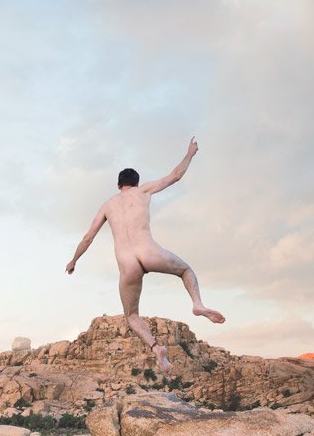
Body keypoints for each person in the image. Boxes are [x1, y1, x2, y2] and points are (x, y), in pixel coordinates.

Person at [65, 136, 224, 373]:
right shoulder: (144, 191)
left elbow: (88, 237)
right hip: (149, 252)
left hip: (127, 263)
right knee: (185, 270)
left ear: (119, 185)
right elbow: (175, 175)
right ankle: (198, 304)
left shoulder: (108, 205)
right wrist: (190, 153)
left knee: (131, 316)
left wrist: (73, 260)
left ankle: (156, 348)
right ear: (136, 184)